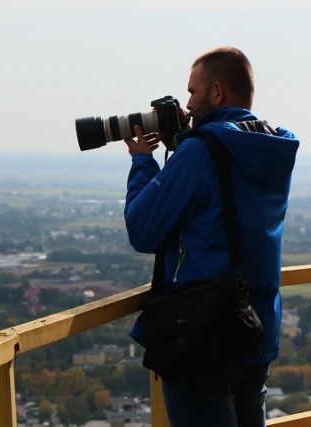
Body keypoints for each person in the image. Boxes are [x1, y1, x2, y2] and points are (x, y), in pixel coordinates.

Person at [123, 47, 299, 426]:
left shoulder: (202, 151)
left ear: (216, 92)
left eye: (192, 92)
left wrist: (141, 161)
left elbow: (143, 229)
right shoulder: (272, 145)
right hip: (255, 328)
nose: (187, 103)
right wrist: (188, 142)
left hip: (202, 336)